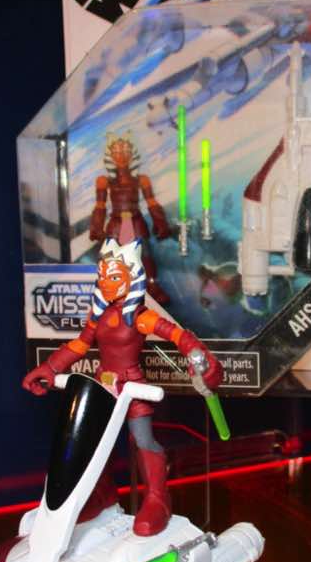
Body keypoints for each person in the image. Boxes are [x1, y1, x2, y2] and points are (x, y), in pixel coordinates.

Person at [23, 237, 222, 537]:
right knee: (94, 442)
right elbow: (80, 344)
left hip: (133, 388)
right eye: (103, 276)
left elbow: (177, 335)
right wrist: (50, 368)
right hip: (103, 386)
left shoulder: (140, 317)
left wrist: (196, 354)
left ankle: (157, 499)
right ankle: (102, 494)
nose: (106, 283)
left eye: (114, 277)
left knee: (143, 440)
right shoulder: (99, 315)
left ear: (132, 278)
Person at [90, 134, 171, 305]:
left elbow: (151, 201)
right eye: (117, 151)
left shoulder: (142, 179)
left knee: (145, 255)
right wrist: (97, 227)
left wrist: (160, 222)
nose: (121, 154)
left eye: (125, 150)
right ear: (110, 154)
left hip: (136, 222)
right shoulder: (104, 181)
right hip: (116, 224)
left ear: (132, 153)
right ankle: (113, 290)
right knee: (112, 259)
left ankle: (152, 286)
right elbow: (100, 205)